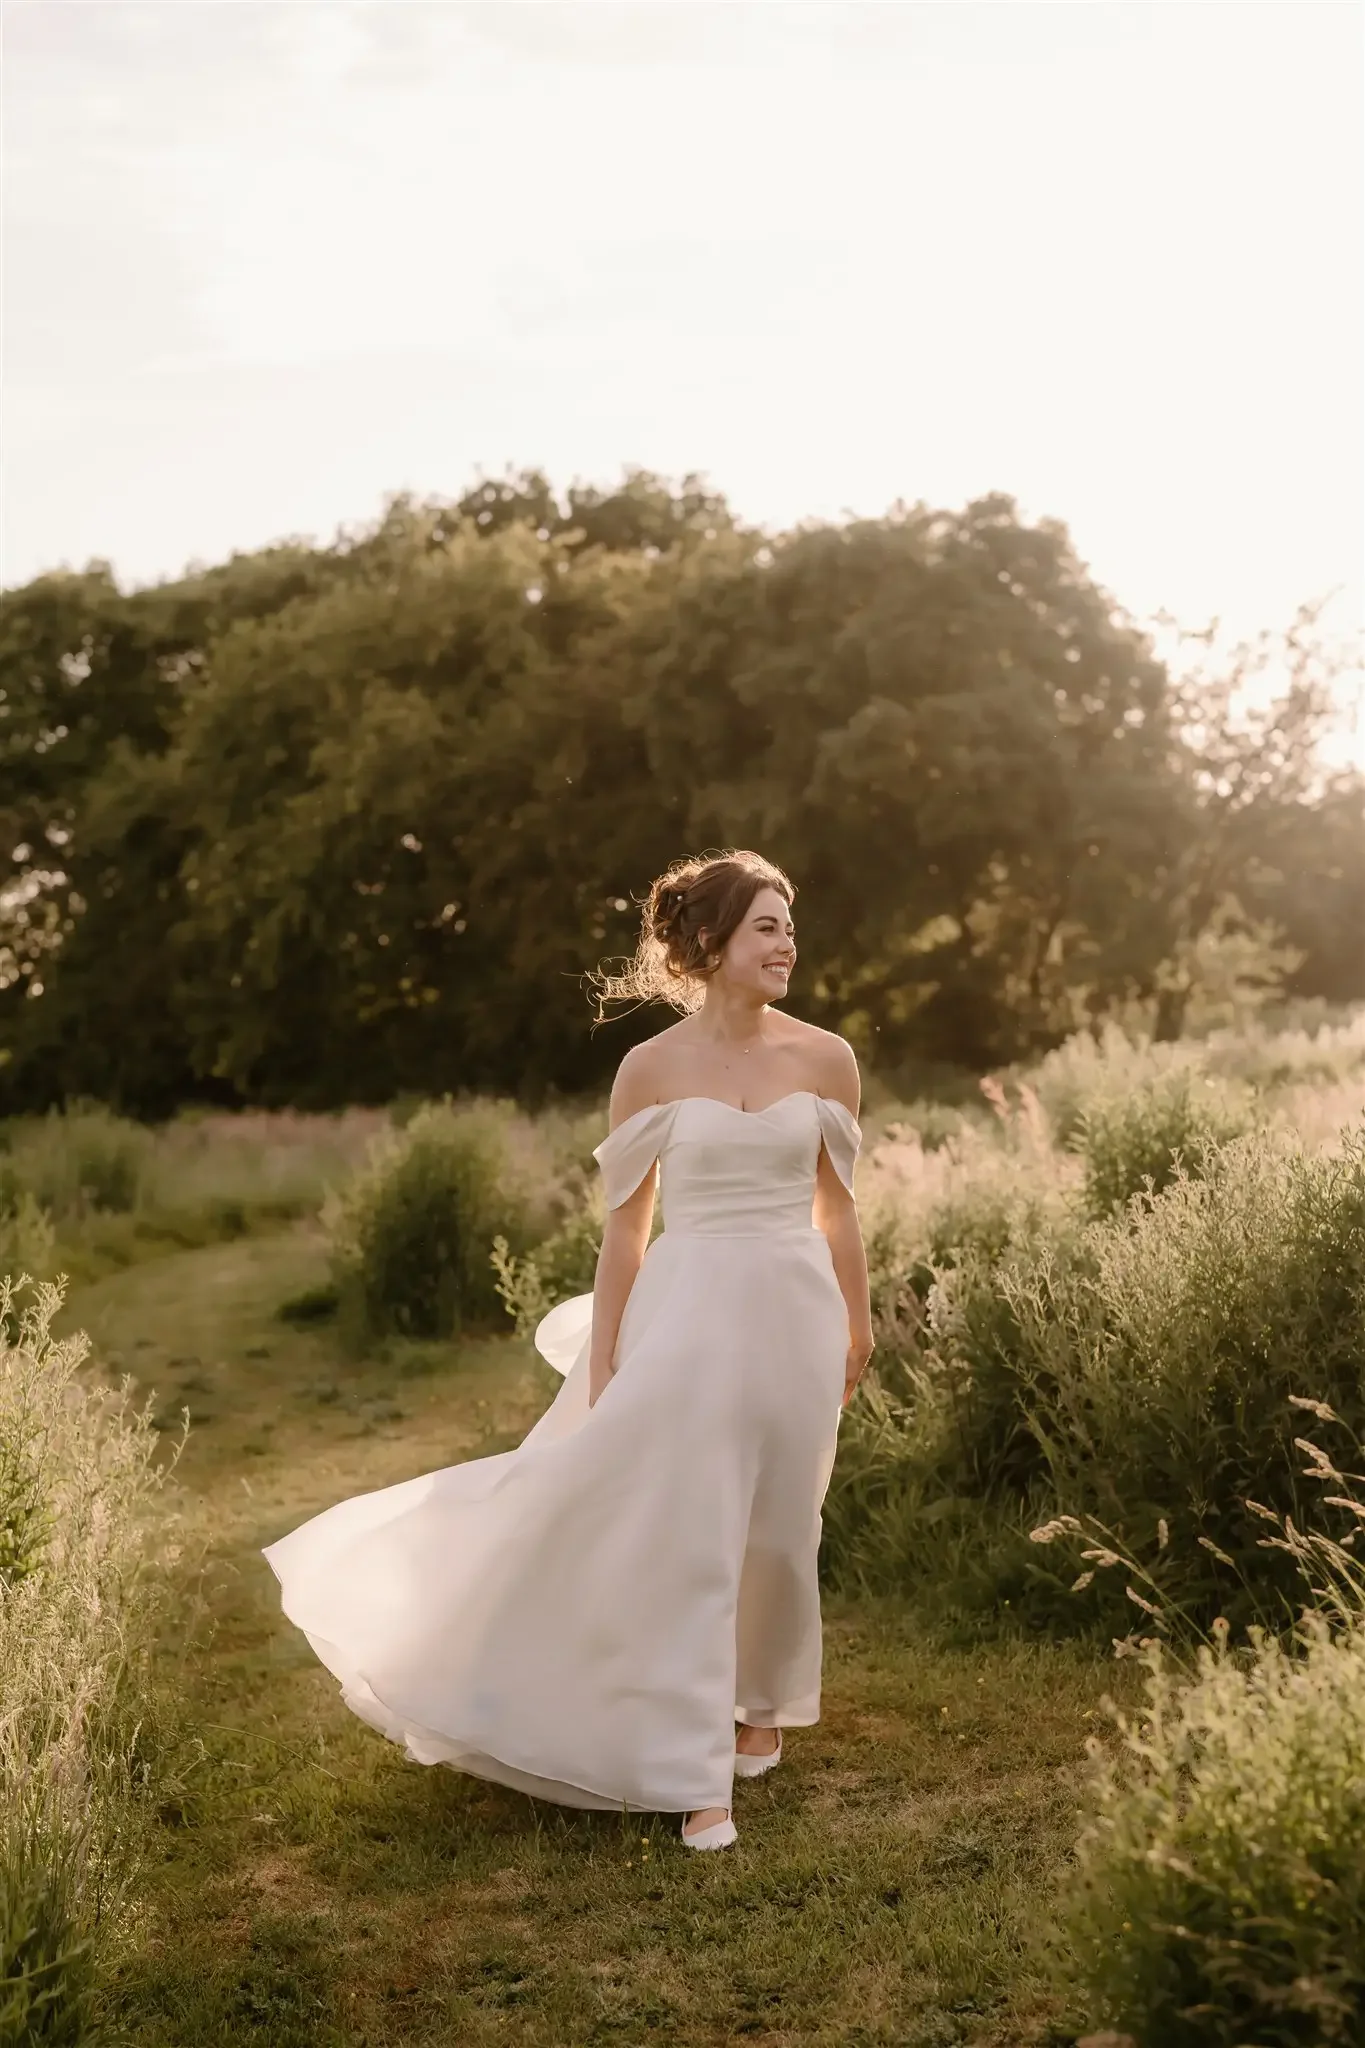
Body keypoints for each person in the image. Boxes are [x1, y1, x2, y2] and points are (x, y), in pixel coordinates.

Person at [263, 848, 875, 1852]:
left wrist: (858, 1319)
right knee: (691, 1532)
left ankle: (760, 1705)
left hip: (797, 1316)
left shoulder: (827, 1058)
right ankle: (692, 1776)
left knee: (779, 1523)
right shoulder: (650, 1070)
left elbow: (837, 1209)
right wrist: (606, 1363)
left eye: (791, 924)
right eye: (767, 925)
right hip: (690, 1319)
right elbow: (626, 1233)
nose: (788, 942)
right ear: (713, 943)